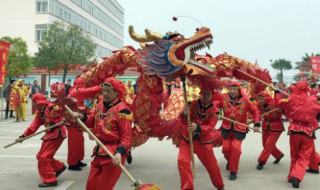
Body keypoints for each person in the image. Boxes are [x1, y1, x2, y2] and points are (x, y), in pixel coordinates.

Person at [72, 77, 132, 190]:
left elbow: (126, 138)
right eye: (103, 90)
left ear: (117, 92)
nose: (104, 94)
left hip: (113, 155)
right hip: (99, 152)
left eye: (108, 91)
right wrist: (81, 116)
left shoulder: (123, 111)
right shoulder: (100, 105)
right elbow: (90, 121)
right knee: (90, 187)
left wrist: (119, 153)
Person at [15, 93, 67, 187]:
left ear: (36, 102)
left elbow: (62, 117)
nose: (33, 104)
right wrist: (23, 136)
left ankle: (50, 180)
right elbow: (34, 125)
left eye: (33, 102)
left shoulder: (52, 107)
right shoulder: (41, 111)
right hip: (50, 134)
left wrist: (53, 123)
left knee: (44, 157)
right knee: (40, 156)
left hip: (57, 134)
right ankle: (59, 167)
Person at [275, 81, 320, 188]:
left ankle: (291, 176)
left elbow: (279, 103)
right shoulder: (313, 99)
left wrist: (276, 93)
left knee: (294, 155)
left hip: (294, 129)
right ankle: (297, 175)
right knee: (304, 156)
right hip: (308, 130)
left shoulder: (291, 98)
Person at [178, 87, 224, 190]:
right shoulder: (191, 104)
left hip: (203, 140)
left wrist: (198, 127)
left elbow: (211, 127)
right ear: (200, 93)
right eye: (204, 94)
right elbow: (183, 121)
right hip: (187, 138)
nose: (205, 96)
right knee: (182, 160)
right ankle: (187, 188)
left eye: (208, 94)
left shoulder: (215, 111)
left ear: (212, 95)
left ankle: (220, 185)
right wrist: (184, 114)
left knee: (212, 166)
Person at [214, 82, 261, 180]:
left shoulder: (246, 99)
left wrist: (256, 124)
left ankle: (233, 171)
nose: (231, 91)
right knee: (225, 149)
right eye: (230, 89)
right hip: (226, 128)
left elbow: (255, 111)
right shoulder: (223, 97)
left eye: (234, 89)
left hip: (239, 129)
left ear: (238, 90)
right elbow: (215, 105)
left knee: (236, 149)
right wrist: (206, 107)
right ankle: (231, 162)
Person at [255, 91, 285, 170]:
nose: (259, 101)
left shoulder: (275, 103)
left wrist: (282, 110)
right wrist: (254, 121)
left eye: (261, 99)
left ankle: (261, 161)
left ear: (266, 98)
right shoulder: (259, 105)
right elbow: (256, 114)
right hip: (265, 126)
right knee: (265, 145)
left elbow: (286, 109)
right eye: (259, 99)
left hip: (276, 126)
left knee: (268, 145)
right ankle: (278, 155)